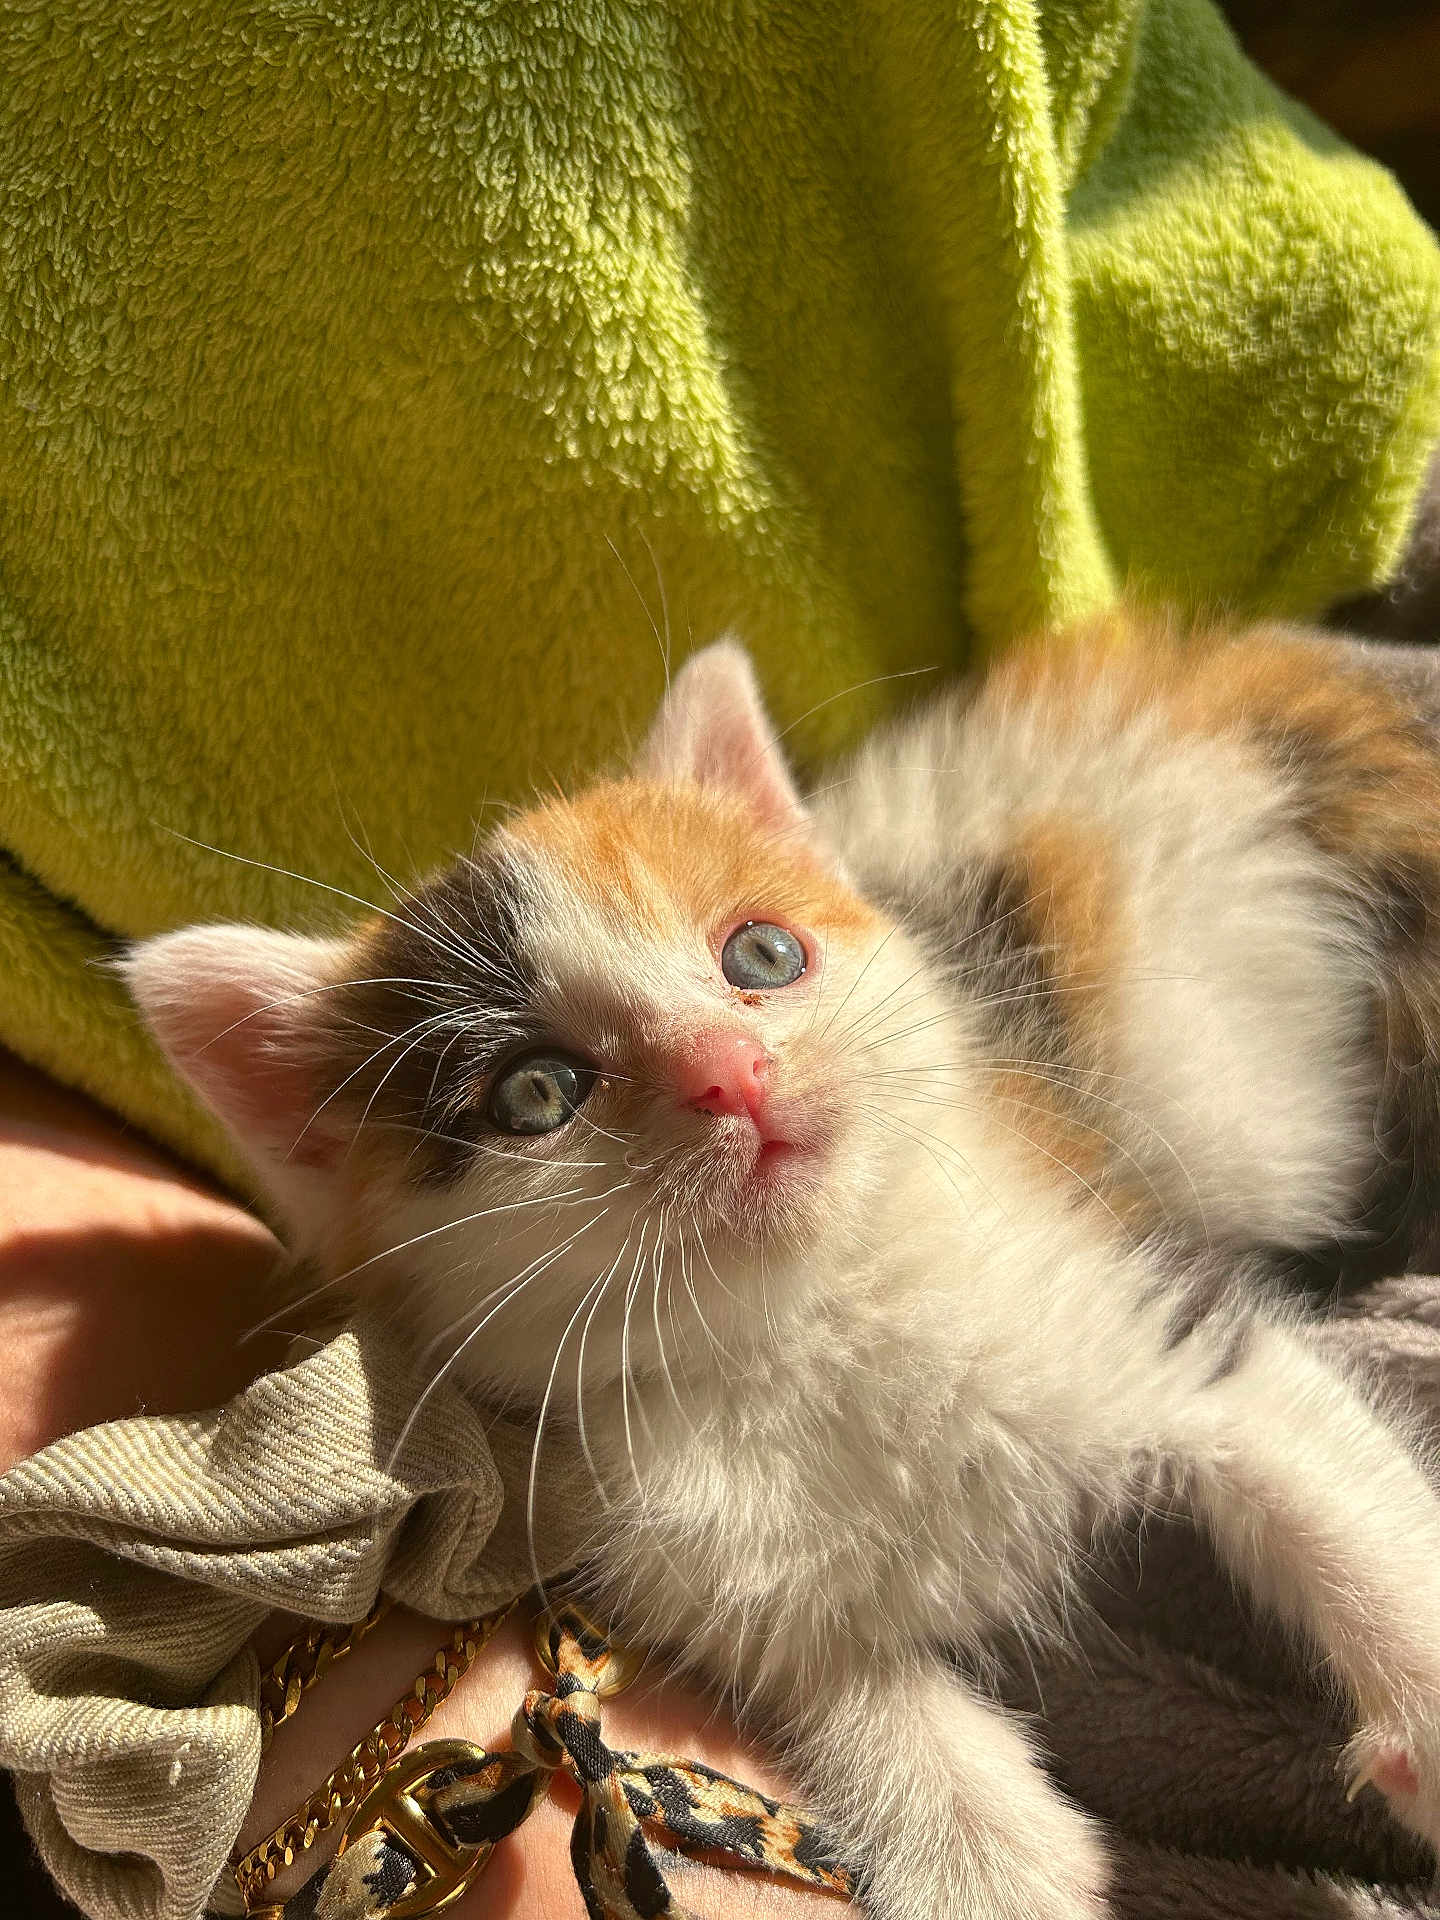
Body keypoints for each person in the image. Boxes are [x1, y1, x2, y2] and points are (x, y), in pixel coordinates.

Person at [2, 3, 1439, 1916]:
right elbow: (872, 1713)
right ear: (322, 1156)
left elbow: (1231, 1394)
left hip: (1242, 835)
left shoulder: (972, 1209)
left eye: (762, 953)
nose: (723, 1066)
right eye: (536, 1087)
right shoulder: (619, 1496)